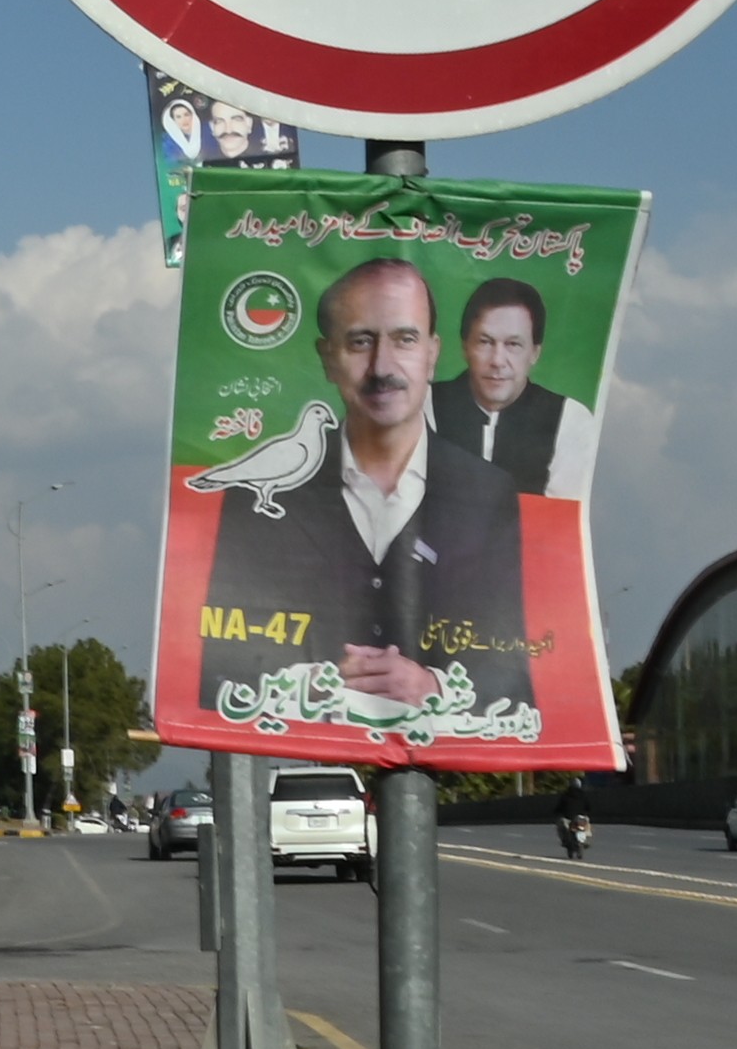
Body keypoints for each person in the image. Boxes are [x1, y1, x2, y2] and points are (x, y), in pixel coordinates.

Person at [192, 254, 532, 712]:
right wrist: (312, 682)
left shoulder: (487, 494)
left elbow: (511, 676)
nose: (382, 366)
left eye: (405, 339)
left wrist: (432, 687)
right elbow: (217, 670)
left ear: (432, 354)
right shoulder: (258, 496)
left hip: (436, 771)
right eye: (360, 342)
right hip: (303, 761)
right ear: (327, 358)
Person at [448, 276, 581, 497]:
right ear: (465, 347)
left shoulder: (569, 420)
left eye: (513, 344)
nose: (498, 360)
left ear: (535, 353)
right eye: (485, 342)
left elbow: (563, 518)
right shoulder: (425, 406)